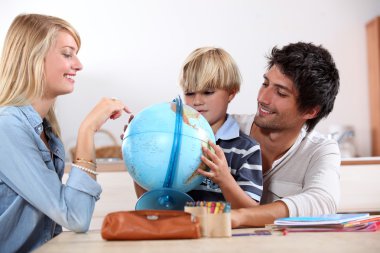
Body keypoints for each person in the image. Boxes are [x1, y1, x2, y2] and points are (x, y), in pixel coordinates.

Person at [0, 14, 131, 252]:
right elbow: (75, 217)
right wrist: (87, 129)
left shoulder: (46, 131)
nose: (79, 65)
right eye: (68, 54)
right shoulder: (6, 128)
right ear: (34, 59)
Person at [133, 47, 263, 208]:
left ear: (231, 93)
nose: (197, 101)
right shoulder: (175, 141)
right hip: (179, 230)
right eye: (189, 93)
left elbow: (250, 211)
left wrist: (224, 179)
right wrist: (138, 156)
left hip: (222, 232)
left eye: (208, 92)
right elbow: (153, 202)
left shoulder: (245, 149)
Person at [230, 42, 341, 227]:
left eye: (280, 93)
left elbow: (323, 202)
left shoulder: (320, 150)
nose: (262, 98)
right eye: (265, 83)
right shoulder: (227, 129)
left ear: (310, 111)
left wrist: (240, 216)